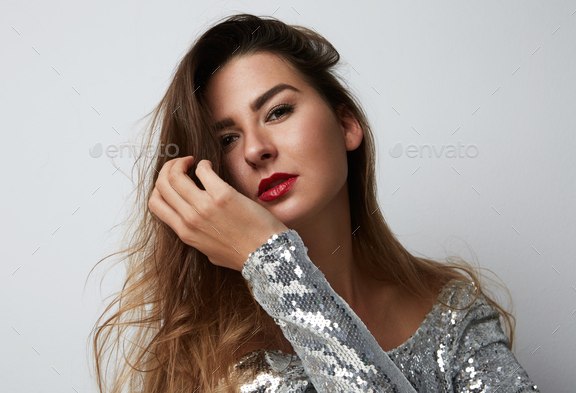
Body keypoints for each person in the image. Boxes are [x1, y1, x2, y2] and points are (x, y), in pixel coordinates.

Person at [89, 13, 540, 393]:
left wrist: (276, 265)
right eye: (227, 138)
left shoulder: (453, 313)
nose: (255, 149)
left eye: (278, 112)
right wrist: (272, 263)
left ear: (346, 125)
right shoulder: (217, 359)